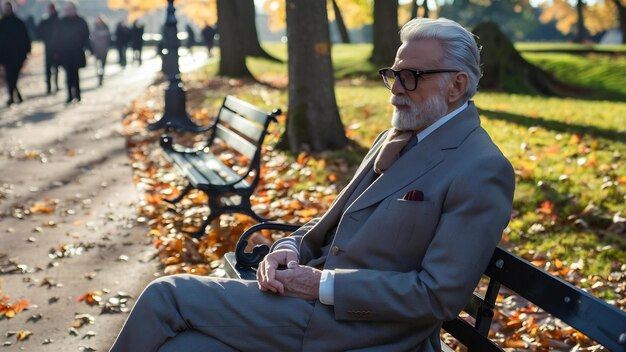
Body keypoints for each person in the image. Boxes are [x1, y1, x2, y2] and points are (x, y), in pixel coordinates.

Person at [109, 17, 516, 352]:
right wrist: (287, 249)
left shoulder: (480, 167)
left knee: (165, 296)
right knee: (182, 349)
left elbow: (437, 295)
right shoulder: (397, 137)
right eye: (392, 74)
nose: (394, 91)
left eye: (410, 77)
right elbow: (330, 223)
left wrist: (321, 284)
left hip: (362, 334)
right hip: (309, 309)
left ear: (456, 86)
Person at [0, 1, 31, 106]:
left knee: (13, 76)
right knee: (10, 76)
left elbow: (26, 38)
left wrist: (27, 52)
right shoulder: (2, 23)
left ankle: (13, 96)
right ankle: (12, 97)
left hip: (18, 56)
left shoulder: (19, 23)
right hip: (5, 56)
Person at [57, 1, 89, 103]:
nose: (69, 11)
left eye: (71, 9)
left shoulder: (81, 21)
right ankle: (70, 95)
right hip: (65, 53)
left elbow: (86, 36)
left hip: (77, 52)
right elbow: (57, 38)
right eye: (67, 9)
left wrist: (88, 48)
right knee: (68, 74)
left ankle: (78, 94)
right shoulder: (62, 21)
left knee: (75, 74)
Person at [37, 2, 61, 95]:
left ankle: (56, 85)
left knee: (56, 68)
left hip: (57, 48)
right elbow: (39, 32)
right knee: (49, 69)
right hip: (49, 48)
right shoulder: (45, 21)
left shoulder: (59, 20)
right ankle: (49, 87)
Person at [91, 16, 111, 86]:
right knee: (98, 64)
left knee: (102, 64)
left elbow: (109, 38)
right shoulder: (95, 28)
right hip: (97, 49)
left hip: (104, 49)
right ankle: (99, 76)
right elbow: (92, 39)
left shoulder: (105, 27)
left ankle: (101, 77)